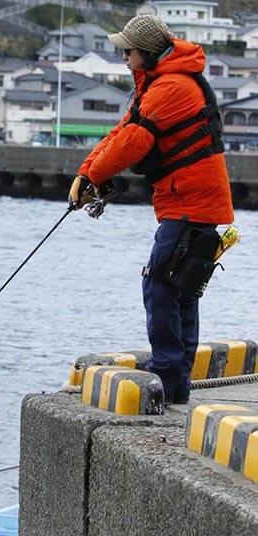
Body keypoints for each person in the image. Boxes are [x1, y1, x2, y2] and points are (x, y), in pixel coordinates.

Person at [68, 14, 234, 404]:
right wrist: (86, 173)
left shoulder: (172, 86)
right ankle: (176, 381)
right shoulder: (160, 84)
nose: (125, 58)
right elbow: (122, 132)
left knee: (160, 284)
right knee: (182, 289)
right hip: (192, 204)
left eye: (128, 51)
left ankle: (166, 375)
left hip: (190, 205)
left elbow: (134, 142)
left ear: (146, 52)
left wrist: (92, 175)